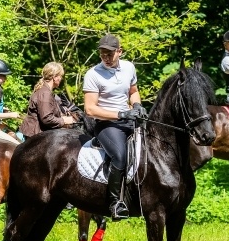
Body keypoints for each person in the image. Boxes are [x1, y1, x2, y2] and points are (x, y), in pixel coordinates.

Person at [83, 34, 147, 220]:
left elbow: (133, 92)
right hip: (107, 124)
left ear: (120, 51)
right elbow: (90, 109)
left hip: (129, 119)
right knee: (119, 156)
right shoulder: (93, 74)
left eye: (110, 54)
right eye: (103, 54)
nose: (106, 57)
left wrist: (136, 106)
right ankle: (115, 204)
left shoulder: (129, 67)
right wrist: (120, 114)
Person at [19, 62, 76, 138]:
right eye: (60, 76)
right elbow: (47, 119)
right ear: (55, 77)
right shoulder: (45, 93)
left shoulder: (44, 91)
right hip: (36, 138)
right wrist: (64, 120)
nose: (61, 79)